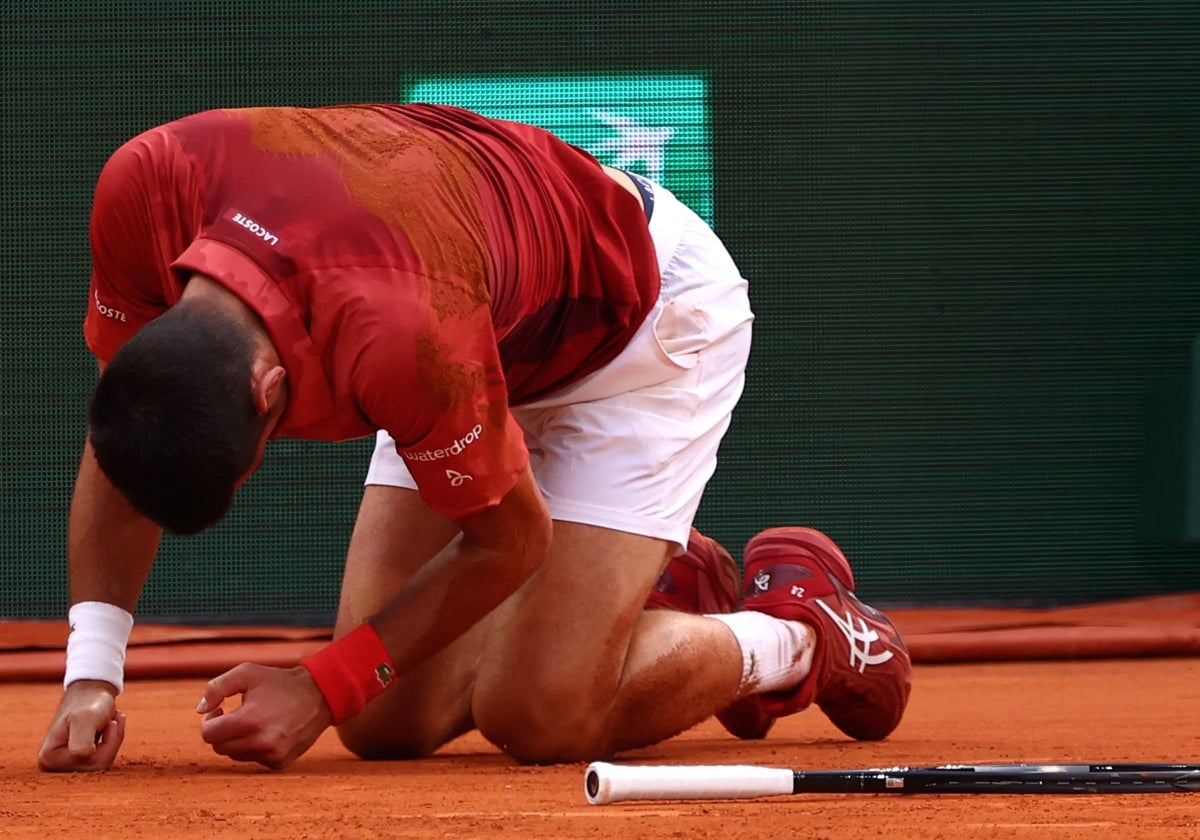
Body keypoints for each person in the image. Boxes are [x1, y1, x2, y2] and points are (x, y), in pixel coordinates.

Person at [36, 103, 911, 772]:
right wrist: (91, 674)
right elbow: (130, 424)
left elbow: (511, 538)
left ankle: (799, 632)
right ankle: (652, 586)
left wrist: (317, 685)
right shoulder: (142, 190)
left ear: (271, 397)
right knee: (382, 721)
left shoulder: (398, 338)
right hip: (475, 311)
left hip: (640, 326)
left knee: (539, 715)